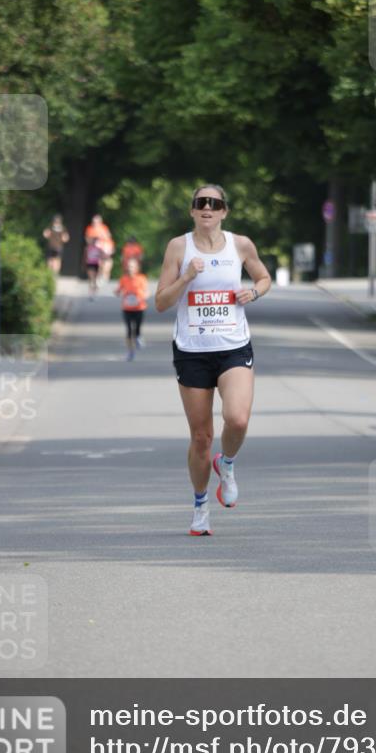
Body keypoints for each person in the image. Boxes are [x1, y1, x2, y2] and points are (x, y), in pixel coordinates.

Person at [155, 184, 271, 536]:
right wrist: (187, 276)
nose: (207, 207)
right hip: (192, 351)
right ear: (192, 211)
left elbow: (264, 277)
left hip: (233, 345)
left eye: (214, 203)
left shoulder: (241, 245)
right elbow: (160, 302)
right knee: (202, 437)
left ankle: (229, 464)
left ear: (224, 211)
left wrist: (253, 291)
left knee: (236, 420)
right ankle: (200, 505)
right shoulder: (179, 247)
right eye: (200, 203)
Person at [114, 256, 150, 360]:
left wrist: (145, 296)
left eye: (132, 266)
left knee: (137, 329)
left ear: (136, 268)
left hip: (139, 308)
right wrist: (116, 292)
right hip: (127, 308)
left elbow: (146, 291)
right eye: (129, 266)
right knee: (129, 330)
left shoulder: (141, 278)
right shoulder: (123, 279)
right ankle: (130, 352)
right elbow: (118, 290)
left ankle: (138, 337)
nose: (130, 268)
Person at [84, 214, 115, 281]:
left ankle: (105, 275)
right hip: (95, 248)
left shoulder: (104, 228)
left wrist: (102, 238)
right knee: (97, 262)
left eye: (97, 222)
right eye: (94, 222)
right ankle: (98, 276)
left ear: (100, 222)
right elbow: (87, 239)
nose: (95, 223)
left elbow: (108, 237)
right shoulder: (89, 228)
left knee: (107, 260)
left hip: (105, 246)